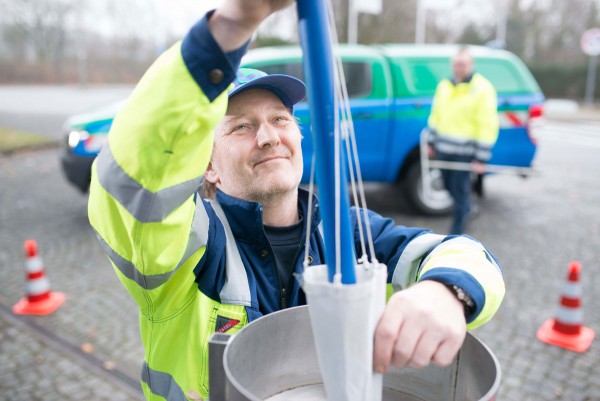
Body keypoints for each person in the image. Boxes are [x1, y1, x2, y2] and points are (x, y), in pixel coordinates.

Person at [88, 2, 505, 399]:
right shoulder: (191, 249)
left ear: (299, 137)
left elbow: (469, 255)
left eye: (280, 120)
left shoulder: (350, 234)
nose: (269, 136)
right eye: (241, 127)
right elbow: (134, 178)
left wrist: (446, 292)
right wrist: (228, 28)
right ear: (208, 167)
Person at [427, 46, 499, 235]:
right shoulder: (444, 86)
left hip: (464, 153)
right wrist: (431, 141)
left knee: (459, 191)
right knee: (446, 185)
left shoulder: (482, 89)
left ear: (471, 65)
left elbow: (487, 124)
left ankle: (457, 232)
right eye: (456, 64)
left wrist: (481, 158)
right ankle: (468, 207)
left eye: (463, 64)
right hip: (443, 149)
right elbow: (436, 114)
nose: (459, 68)